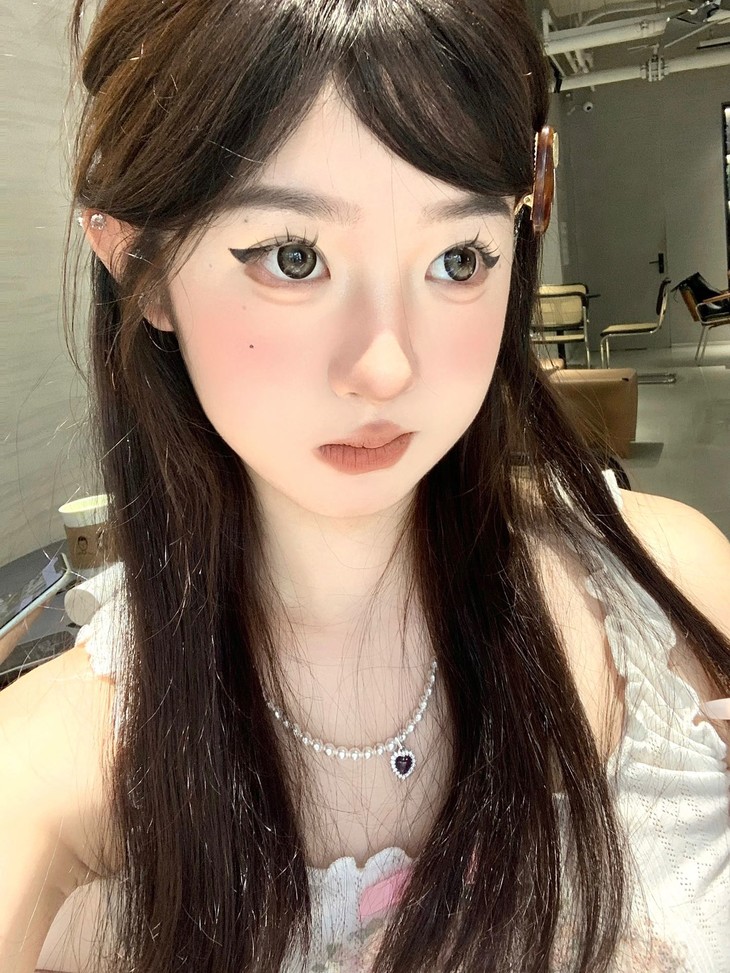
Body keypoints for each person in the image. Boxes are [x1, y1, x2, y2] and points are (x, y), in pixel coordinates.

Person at [1, 1, 728, 971]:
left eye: (457, 259)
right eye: (294, 258)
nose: (386, 366)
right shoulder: (58, 769)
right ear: (140, 262)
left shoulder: (670, 589)